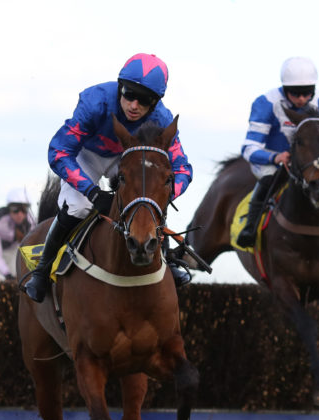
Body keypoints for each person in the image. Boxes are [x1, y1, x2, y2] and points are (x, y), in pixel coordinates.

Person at [24, 53, 194, 302]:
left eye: (144, 100)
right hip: (86, 155)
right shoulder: (95, 102)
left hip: (127, 159)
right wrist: (91, 191)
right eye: (128, 93)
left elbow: (183, 169)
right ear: (119, 87)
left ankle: (169, 262)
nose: (134, 105)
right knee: (79, 207)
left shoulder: (162, 119)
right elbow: (59, 151)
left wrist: (163, 194)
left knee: (148, 198)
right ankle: (41, 272)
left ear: (155, 103)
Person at [236, 56, 319, 252]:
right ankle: (250, 229)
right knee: (268, 179)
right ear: (284, 89)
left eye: (307, 93)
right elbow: (249, 148)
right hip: (274, 160)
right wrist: (276, 157)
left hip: (311, 163)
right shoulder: (266, 103)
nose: (301, 99)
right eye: (295, 93)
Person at [0, 187, 36, 280]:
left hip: (12, 249)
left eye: (24, 209)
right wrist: (7, 274)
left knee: (17, 278)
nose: (20, 214)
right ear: (9, 209)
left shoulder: (31, 223)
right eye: (15, 209)